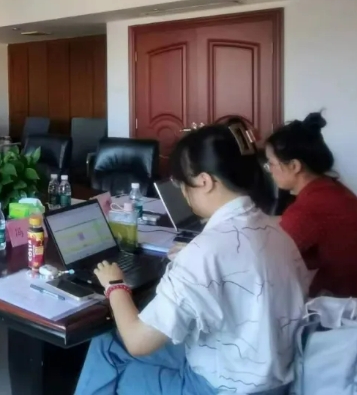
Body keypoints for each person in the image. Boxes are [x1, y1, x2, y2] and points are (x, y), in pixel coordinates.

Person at [74, 124, 308, 395]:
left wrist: (115, 285)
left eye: (183, 185)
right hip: (272, 375)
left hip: (222, 387)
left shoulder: (204, 253)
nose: (184, 194)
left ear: (205, 182)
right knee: (109, 343)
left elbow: (138, 341)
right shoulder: (277, 231)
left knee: (113, 357)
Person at [265, 112, 357, 297]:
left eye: (271, 164)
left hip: (341, 302)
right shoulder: (330, 188)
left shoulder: (309, 208)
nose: (269, 170)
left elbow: (268, 258)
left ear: (294, 166)